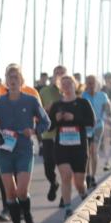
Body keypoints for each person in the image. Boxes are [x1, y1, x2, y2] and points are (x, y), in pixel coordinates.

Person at [0, 64, 51, 223]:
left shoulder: (31, 101)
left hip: (24, 149)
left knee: (22, 191)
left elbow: (46, 122)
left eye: (16, 77)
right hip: (4, 151)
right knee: (10, 193)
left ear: (22, 81)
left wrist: (33, 131)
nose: (13, 81)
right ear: (6, 82)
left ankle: (28, 217)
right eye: (10, 78)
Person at [48, 75, 96, 216]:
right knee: (66, 176)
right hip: (62, 147)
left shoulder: (83, 103)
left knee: (79, 182)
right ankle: (68, 208)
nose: (67, 86)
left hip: (79, 147)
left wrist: (74, 118)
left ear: (75, 85)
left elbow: (91, 122)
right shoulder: (56, 105)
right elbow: (49, 127)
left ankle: (83, 194)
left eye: (69, 83)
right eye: (64, 84)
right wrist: (56, 120)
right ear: (60, 87)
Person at [38, 65, 68, 202]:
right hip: (49, 135)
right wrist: (46, 109)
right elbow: (38, 113)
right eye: (57, 73)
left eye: (62, 73)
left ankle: (64, 196)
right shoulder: (44, 91)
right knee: (48, 166)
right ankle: (53, 183)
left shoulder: (69, 90)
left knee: (64, 167)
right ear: (53, 75)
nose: (59, 75)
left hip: (66, 134)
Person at [81, 75, 110, 188]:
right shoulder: (83, 96)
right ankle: (87, 175)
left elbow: (108, 107)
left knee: (93, 151)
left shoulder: (103, 95)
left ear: (97, 84)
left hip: (98, 126)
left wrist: (107, 112)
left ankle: (93, 176)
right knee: (86, 153)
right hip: (86, 127)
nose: (90, 85)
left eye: (92, 83)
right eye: (88, 83)